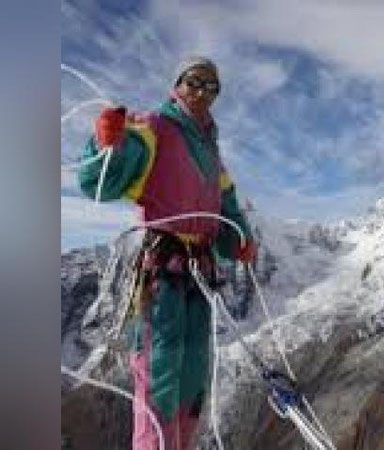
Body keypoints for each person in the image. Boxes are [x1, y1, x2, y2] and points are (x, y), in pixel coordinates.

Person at [78, 55, 257, 449]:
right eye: (194, 82)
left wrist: (241, 239)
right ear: (177, 84)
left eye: (211, 87)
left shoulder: (212, 151)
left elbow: (225, 207)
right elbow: (100, 182)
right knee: (159, 371)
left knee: (192, 373)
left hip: (199, 273)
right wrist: (105, 143)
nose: (202, 93)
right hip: (162, 270)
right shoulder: (153, 129)